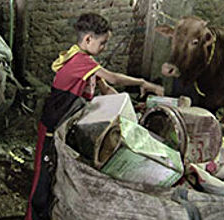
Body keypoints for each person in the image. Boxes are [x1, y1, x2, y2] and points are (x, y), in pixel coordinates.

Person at [25, 12, 164, 220]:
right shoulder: (79, 60)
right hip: (52, 126)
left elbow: (107, 88)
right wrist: (144, 83)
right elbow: (113, 78)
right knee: (43, 175)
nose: (105, 48)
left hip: (67, 125)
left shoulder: (87, 63)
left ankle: (50, 212)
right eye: (103, 43)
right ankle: (32, 216)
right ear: (88, 39)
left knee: (57, 173)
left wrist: (131, 111)